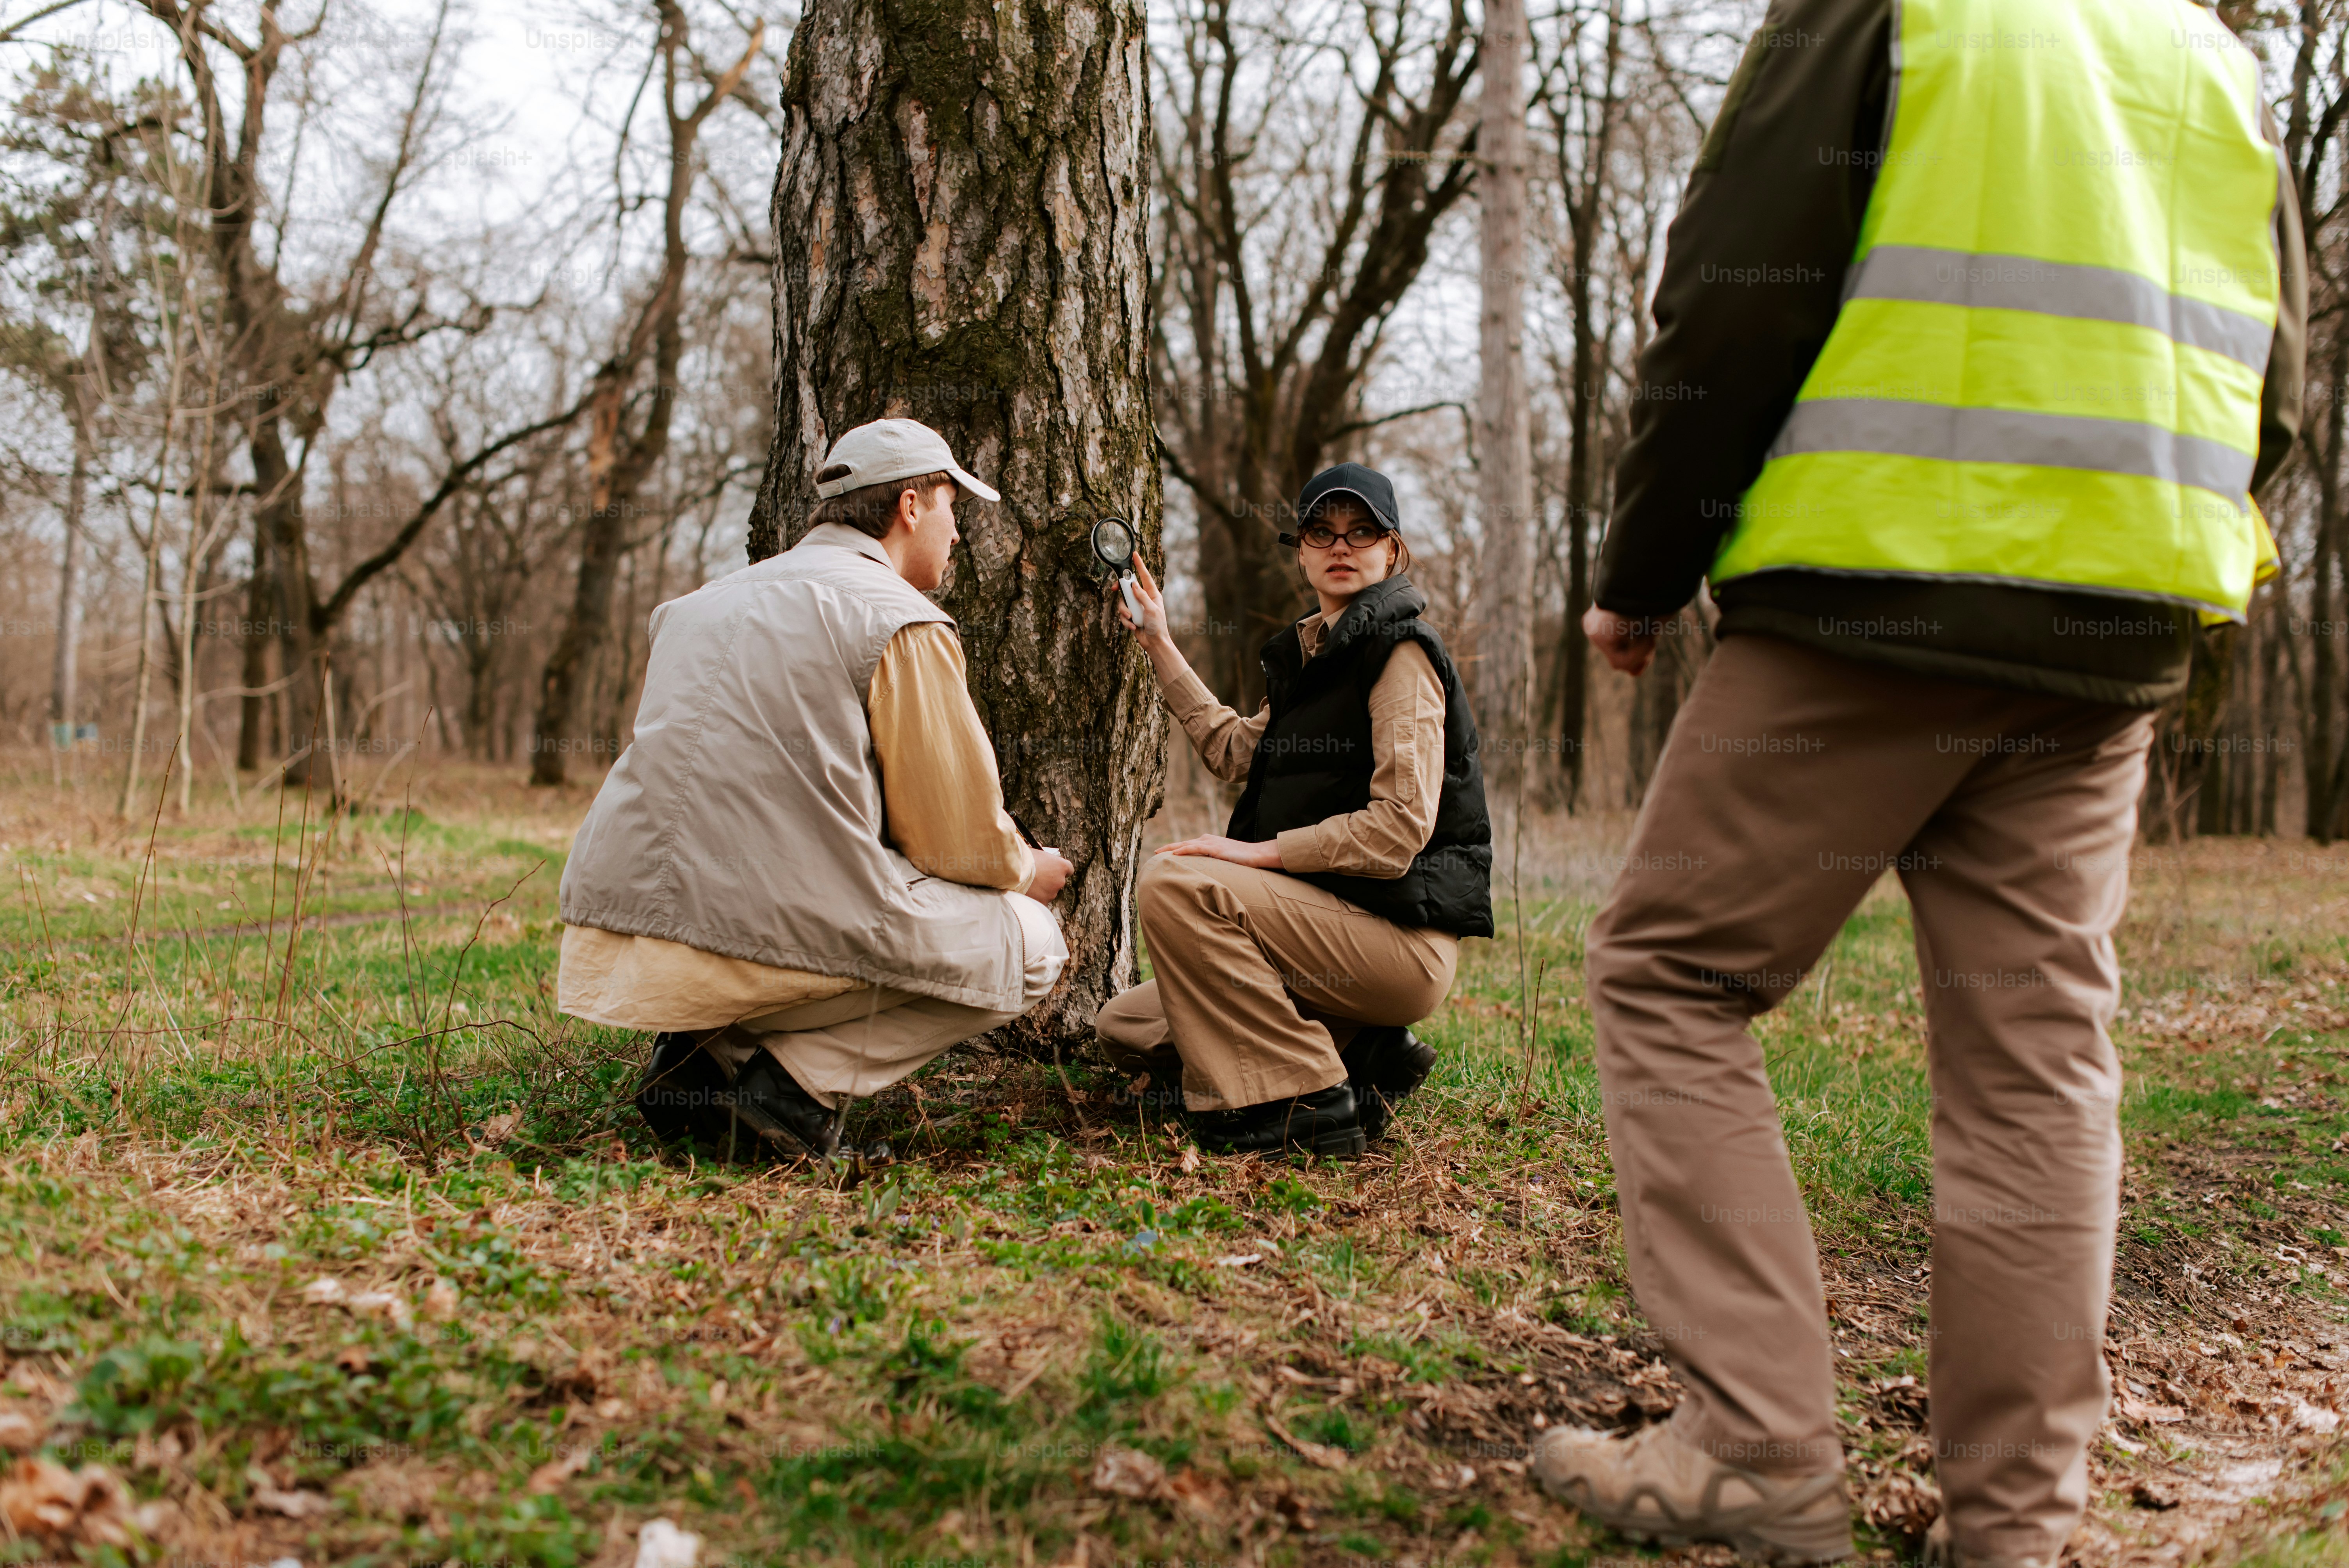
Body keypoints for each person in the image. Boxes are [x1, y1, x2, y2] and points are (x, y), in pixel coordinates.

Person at [1523, 0, 2306, 1564]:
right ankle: (2017, 1524)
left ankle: (1754, 1449)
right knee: (2035, 1056)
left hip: (1873, 596)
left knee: (1674, 968)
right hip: (2112, 628)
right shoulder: (2210, 62)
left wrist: (1642, 567)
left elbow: (1734, 297)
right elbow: (2273, 389)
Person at [555, 418, 1076, 1160]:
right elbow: (954, 838)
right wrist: (1029, 872)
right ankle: (790, 1096)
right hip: (754, 941)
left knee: (806, 903)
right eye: (952, 506)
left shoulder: (697, 605)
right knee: (1034, 946)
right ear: (910, 506)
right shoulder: (899, 618)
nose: (958, 533)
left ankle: (698, 1065)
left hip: (636, 937)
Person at [1094, 463, 1492, 1157]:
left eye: (1361, 532)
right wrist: (1157, 640)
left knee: (1176, 882)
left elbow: (1399, 829)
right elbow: (1232, 750)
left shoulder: (1399, 654)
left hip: (1397, 941)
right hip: (1321, 934)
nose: (1341, 546)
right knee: (1126, 1026)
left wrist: (1254, 855)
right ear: (1302, 550)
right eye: (1322, 531)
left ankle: (1310, 1103)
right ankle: (1362, 1054)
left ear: (1391, 551)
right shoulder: (1316, 659)